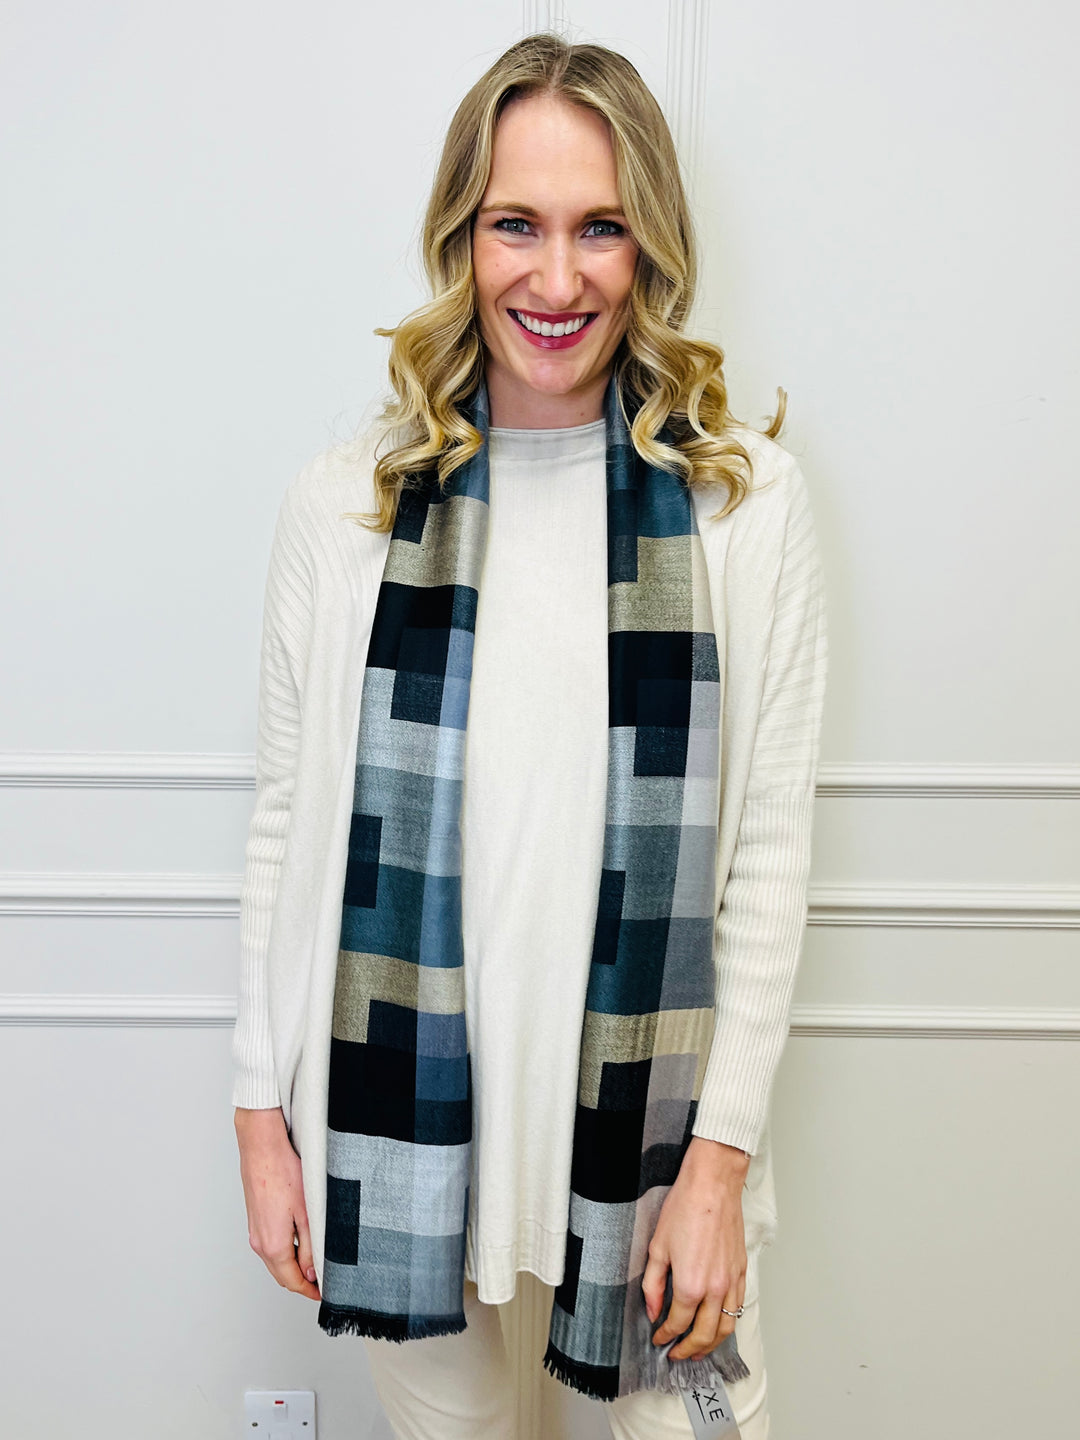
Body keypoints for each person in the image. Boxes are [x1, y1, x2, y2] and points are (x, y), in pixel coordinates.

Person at [232, 31, 827, 1440]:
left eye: (599, 228)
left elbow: (766, 862)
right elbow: (283, 827)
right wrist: (262, 1119)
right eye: (518, 224)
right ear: (462, 234)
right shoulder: (348, 506)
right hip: (398, 1139)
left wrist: (720, 1167)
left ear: (650, 244)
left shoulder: (744, 509)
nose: (557, 281)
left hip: (655, 1156)